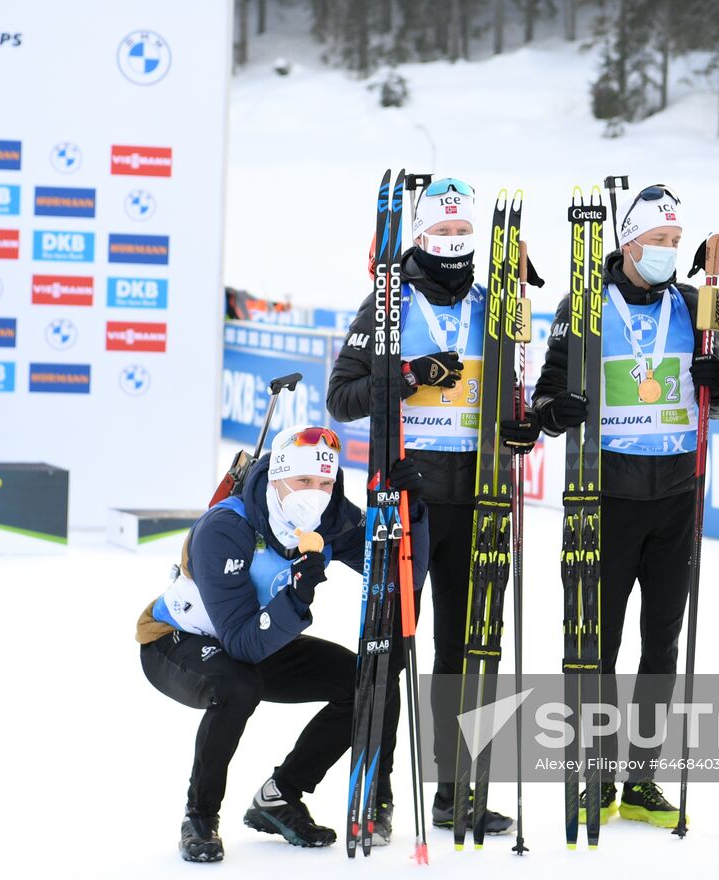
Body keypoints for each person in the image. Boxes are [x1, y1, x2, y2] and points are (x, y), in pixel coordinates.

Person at [327, 176, 537, 838]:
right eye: (440, 232)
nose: (452, 242)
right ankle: (379, 792)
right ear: (417, 238)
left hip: (479, 498)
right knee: (389, 649)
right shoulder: (388, 303)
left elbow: (515, 395)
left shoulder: (495, 307)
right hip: (408, 497)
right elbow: (343, 397)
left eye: (462, 232)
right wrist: (412, 376)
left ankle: (458, 791)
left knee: (471, 650)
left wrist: (524, 425)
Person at [531, 183, 719, 830]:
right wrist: (558, 409)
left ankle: (642, 780)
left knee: (662, 646)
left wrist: (718, 381)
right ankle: (592, 775)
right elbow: (547, 399)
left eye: (675, 243)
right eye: (657, 242)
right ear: (627, 242)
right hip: (604, 497)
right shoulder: (582, 305)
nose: (667, 254)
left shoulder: (696, 305)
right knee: (595, 646)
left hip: (675, 499)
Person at [136, 425, 428, 862]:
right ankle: (199, 816)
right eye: (303, 482)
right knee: (238, 686)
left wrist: (413, 512)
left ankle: (280, 797)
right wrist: (297, 594)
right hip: (179, 640)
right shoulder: (226, 528)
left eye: (326, 483)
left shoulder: (330, 519)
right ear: (276, 478)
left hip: (260, 634)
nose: (315, 493)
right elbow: (240, 645)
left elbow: (401, 574)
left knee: (371, 684)